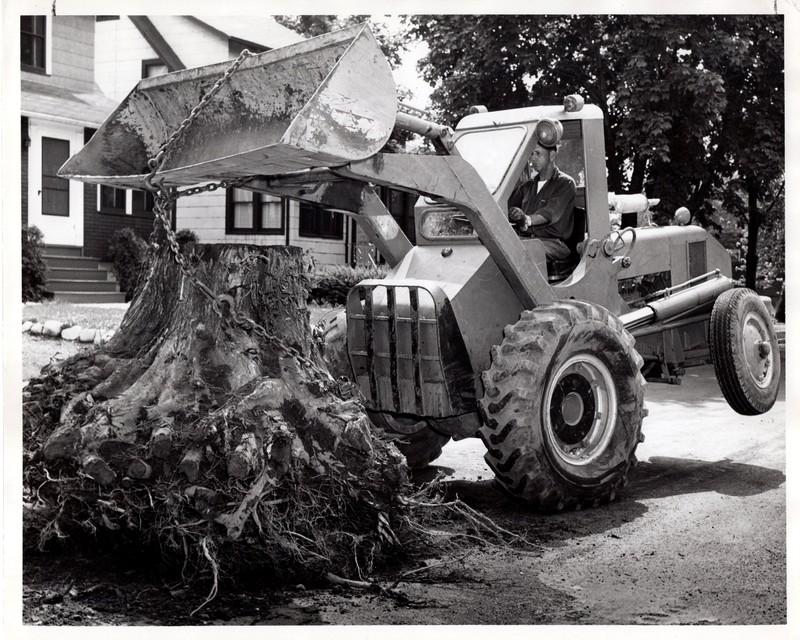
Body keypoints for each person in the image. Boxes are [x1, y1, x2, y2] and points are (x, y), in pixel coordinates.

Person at [507, 131, 576, 261]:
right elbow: (506, 205)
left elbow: (550, 214)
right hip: (527, 240)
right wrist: (512, 212)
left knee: (520, 252)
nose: (533, 159)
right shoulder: (527, 186)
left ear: (552, 155)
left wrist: (526, 219)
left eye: (538, 154)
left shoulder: (565, 183)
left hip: (554, 244)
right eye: (531, 154)